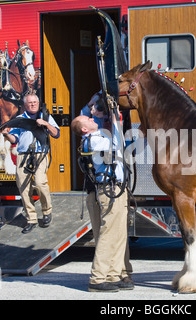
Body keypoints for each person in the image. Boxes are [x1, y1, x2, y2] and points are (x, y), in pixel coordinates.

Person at [71, 113, 133, 292]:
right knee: (108, 233)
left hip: (116, 187)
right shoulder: (94, 141)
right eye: (88, 120)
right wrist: (115, 123)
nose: (92, 119)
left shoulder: (96, 137)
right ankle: (98, 278)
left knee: (119, 232)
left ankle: (113, 274)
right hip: (109, 189)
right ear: (84, 129)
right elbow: (115, 148)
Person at [2, 94, 60, 234]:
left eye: (35, 102)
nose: (33, 105)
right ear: (25, 105)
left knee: (40, 183)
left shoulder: (45, 116)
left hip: (40, 154)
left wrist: (46, 124)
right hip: (23, 155)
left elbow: (56, 133)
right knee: (24, 188)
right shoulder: (20, 120)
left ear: (38, 103)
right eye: (30, 103)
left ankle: (47, 211)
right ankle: (31, 219)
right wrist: (5, 134)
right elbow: (14, 139)